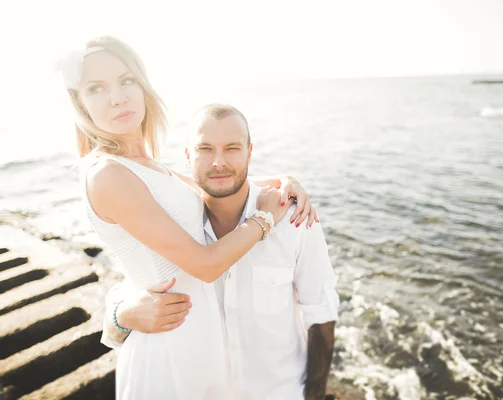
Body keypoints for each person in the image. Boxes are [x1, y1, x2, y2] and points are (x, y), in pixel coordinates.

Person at [59, 36, 318, 400]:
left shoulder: (146, 165)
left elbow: (213, 185)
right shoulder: (108, 174)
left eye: (126, 80)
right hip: (173, 340)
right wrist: (263, 220)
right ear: (81, 103)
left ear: (143, 84)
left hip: (202, 333)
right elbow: (205, 265)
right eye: (97, 88)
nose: (117, 96)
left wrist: (284, 180)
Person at [103, 104, 340, 400]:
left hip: (279, 391)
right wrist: (120, 316)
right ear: (188, 155)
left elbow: (320, 308)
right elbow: (129, 294)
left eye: (232, 148)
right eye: (205, 149)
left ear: (249, 152)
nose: (219, 162)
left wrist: (314, 393)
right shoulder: (171, 224)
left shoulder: (294, 220)